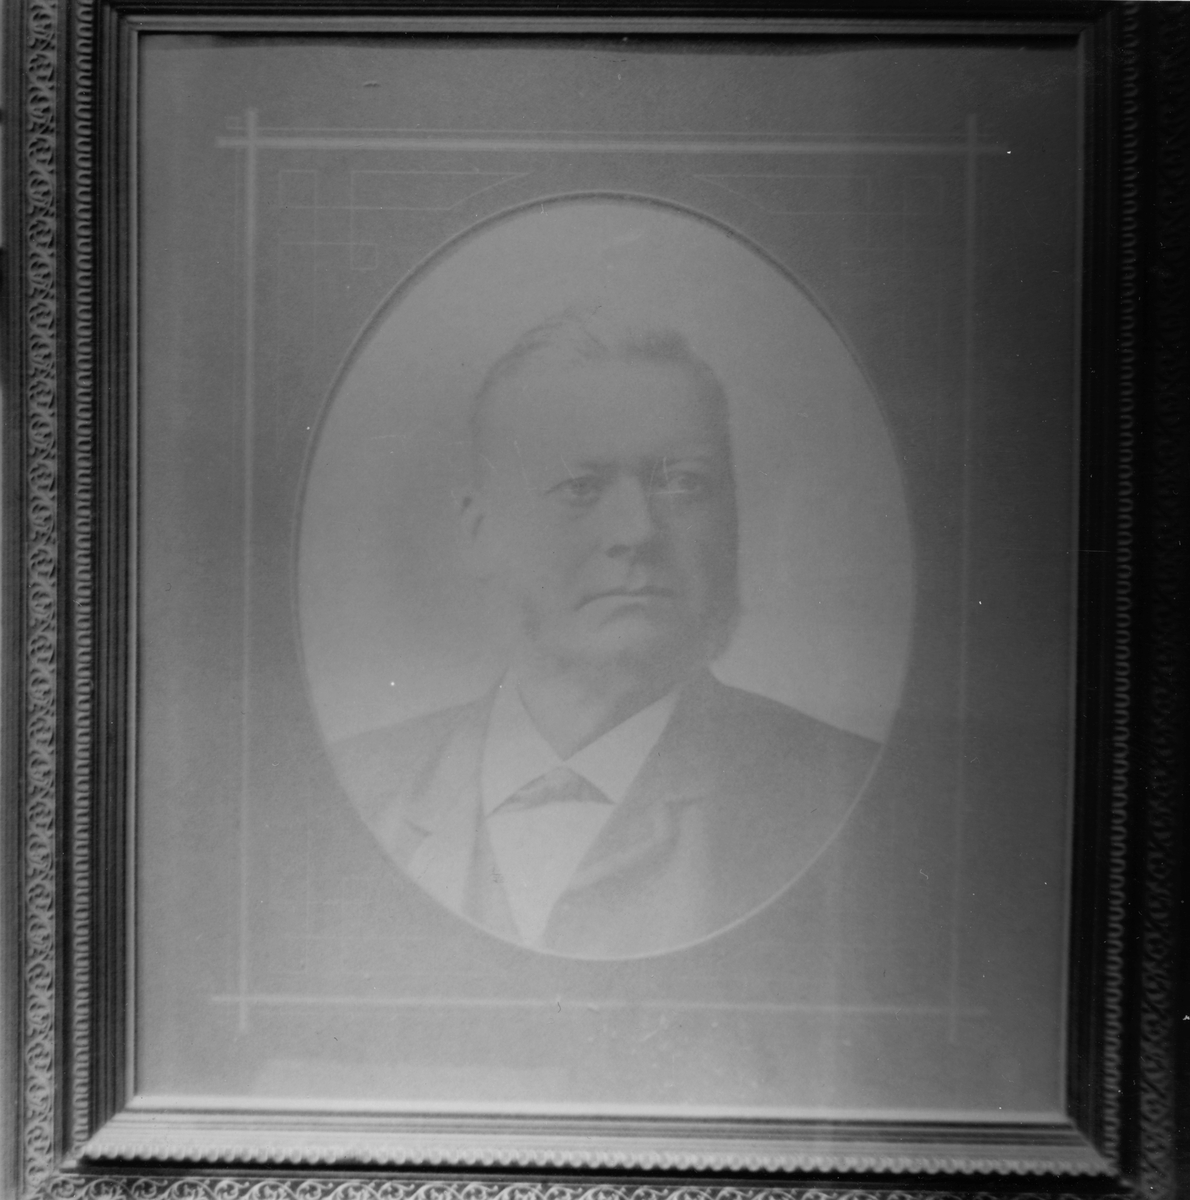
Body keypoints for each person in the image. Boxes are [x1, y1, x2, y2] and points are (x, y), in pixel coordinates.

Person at [331, 309, 877, 958]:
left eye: (683, 483)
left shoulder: (850, 800)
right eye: (580, 488)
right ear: (479, 531)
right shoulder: (349, 792)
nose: (637, 531)